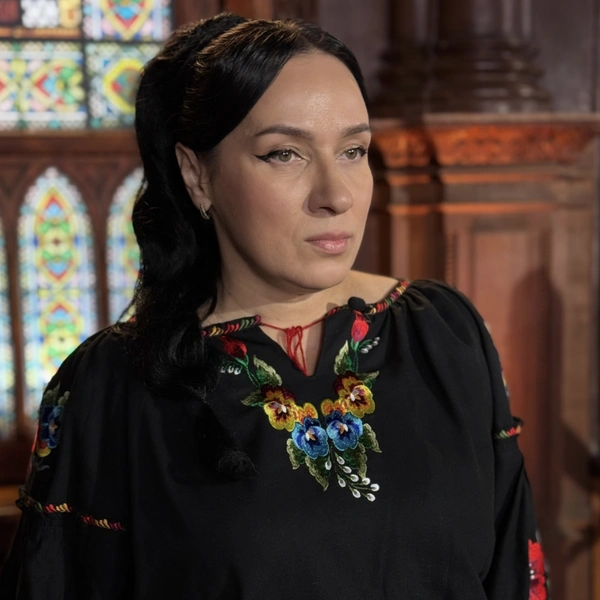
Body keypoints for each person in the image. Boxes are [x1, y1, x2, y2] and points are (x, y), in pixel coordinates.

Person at [0, 12, 548, 600]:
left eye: (354, 150)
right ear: (196, 174)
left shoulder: (444, 334)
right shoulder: (111, 387)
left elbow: (516, 572)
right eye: (285, 154)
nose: (336, 196)